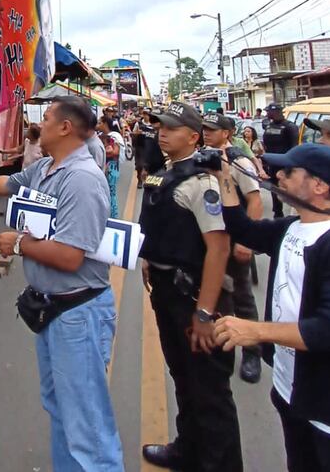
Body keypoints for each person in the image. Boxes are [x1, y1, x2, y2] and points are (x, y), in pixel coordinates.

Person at [0, 96, 124, 472]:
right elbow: (11, 184)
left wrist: (19, 244)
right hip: (54, 310)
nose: (39, 124)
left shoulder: (81, 179)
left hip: (78, 314)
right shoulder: (47, 167)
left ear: (65, 128)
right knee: (61, 408)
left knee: (87, 423)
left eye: (45, 118)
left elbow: (71, 256)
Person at [138, 102, 243, 472]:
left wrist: (204, 313)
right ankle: (188, 451)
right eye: (159, 127)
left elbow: (219, 248)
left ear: (194, 137)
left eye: (171, 128)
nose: (162, 133)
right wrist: (150, 258)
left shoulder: (203, 183)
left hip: (195, 296)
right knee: (183, 377)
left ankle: (219, 464)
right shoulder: (168, 172)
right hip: (167, 290)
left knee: (209, 391)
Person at [213, 144, 330, 472]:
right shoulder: (291, 227)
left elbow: (325, 329)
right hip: (288, 388)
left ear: (320, 185)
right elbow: (243, 229)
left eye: (289, 172)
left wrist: (256, 331)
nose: (279, 176)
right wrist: (224, 176)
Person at [202, 113, 264, 383]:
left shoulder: (238, 161)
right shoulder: (202, 157)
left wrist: (246, 240)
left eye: (212, 129)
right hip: (210, 241)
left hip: (232, 239)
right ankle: (223, 345)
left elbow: (255, 201)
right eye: (204, 128)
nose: (206, 133)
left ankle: (252, 351)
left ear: (226, 133)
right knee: (217, 297)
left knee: (242, 298)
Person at [263, 103, 300, 218]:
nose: (267, 114)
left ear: (276, 112)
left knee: (291, 188)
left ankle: (298, 211)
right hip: (272, 162)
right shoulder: (269, 126)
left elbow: (294, 146)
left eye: (269, 112)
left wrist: (291, 165)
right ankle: (277, 212)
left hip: (286, 163)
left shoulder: (290, 127)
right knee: (274, 188)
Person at [98, 115, 122, 218]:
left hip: (112, 168)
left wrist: (103, 152)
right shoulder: (101, 135)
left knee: (111, 193)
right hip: (105, 167)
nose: (97, 125)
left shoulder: (114, 136)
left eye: (99, 123)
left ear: (105, 124)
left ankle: (113, 217)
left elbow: (115, 152)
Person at [133, 108, 157, 188]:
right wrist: (137, 133)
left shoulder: (154, 124)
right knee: (139, 165)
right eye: (145, 114)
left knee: (151, 166)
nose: (146, 116)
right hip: (140, 147)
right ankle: (140, 180)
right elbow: (133, 133)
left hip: (151, 148)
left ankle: (149, 182)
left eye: (148, 114)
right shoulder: (138, 124)